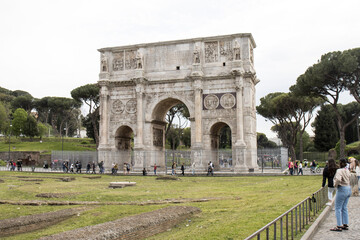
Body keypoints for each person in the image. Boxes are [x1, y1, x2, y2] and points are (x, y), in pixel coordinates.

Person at [330, 158, 351, 232]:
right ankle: (345, 223)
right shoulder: (347, 170)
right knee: (344, 207)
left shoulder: (339, 170)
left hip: (342, 188)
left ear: (340, 163)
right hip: (348, 188)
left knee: (338, 207)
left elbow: (338, 179)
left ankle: (339, 225)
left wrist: (335, 184)